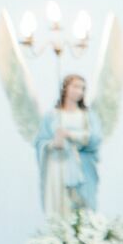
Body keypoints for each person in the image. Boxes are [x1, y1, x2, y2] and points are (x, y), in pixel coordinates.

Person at [35, 73, 102, 217]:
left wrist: (71, 135)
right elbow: (40, 141)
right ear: (65, 88)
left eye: (83, 88)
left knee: (81, 208)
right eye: (76, 87)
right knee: (60, 205)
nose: (79, 91)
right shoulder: (52, 116)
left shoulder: (87, 116)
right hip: (57, 166)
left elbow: (95, 138)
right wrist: (53, 144)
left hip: (80, 166)